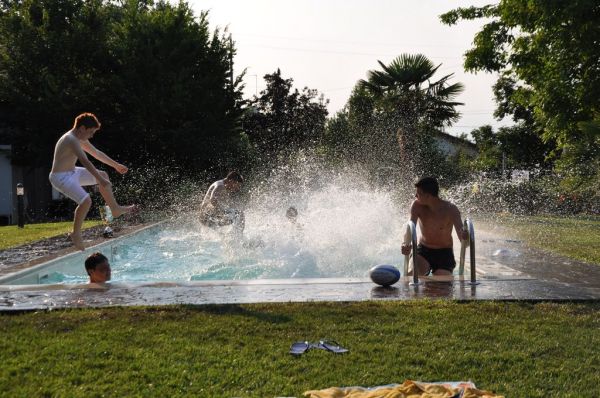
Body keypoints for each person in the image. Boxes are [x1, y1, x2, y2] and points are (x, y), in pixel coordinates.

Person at [49, 113, 136, 250]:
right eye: (90, 132)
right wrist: (100, 180)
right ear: (82, 128)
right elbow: (86, 161)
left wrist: (115, 165)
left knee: (104, 175)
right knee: (86, 201)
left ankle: (115, 209)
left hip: (72, 172)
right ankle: (76, 234)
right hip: (60, 177)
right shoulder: (71, 139)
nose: (91, 136)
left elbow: (96, 153)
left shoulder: (79, 137)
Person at [401, 176, 468, 276]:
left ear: (428, 196)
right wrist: (405, 243)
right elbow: (410, 228)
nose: (415, 195)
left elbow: (465, 244)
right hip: (423, 251)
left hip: (444, 254)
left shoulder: (451, 209)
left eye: (418, 193)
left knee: (441, 287)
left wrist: (466, 237)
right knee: (413, 275)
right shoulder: (417, 206)